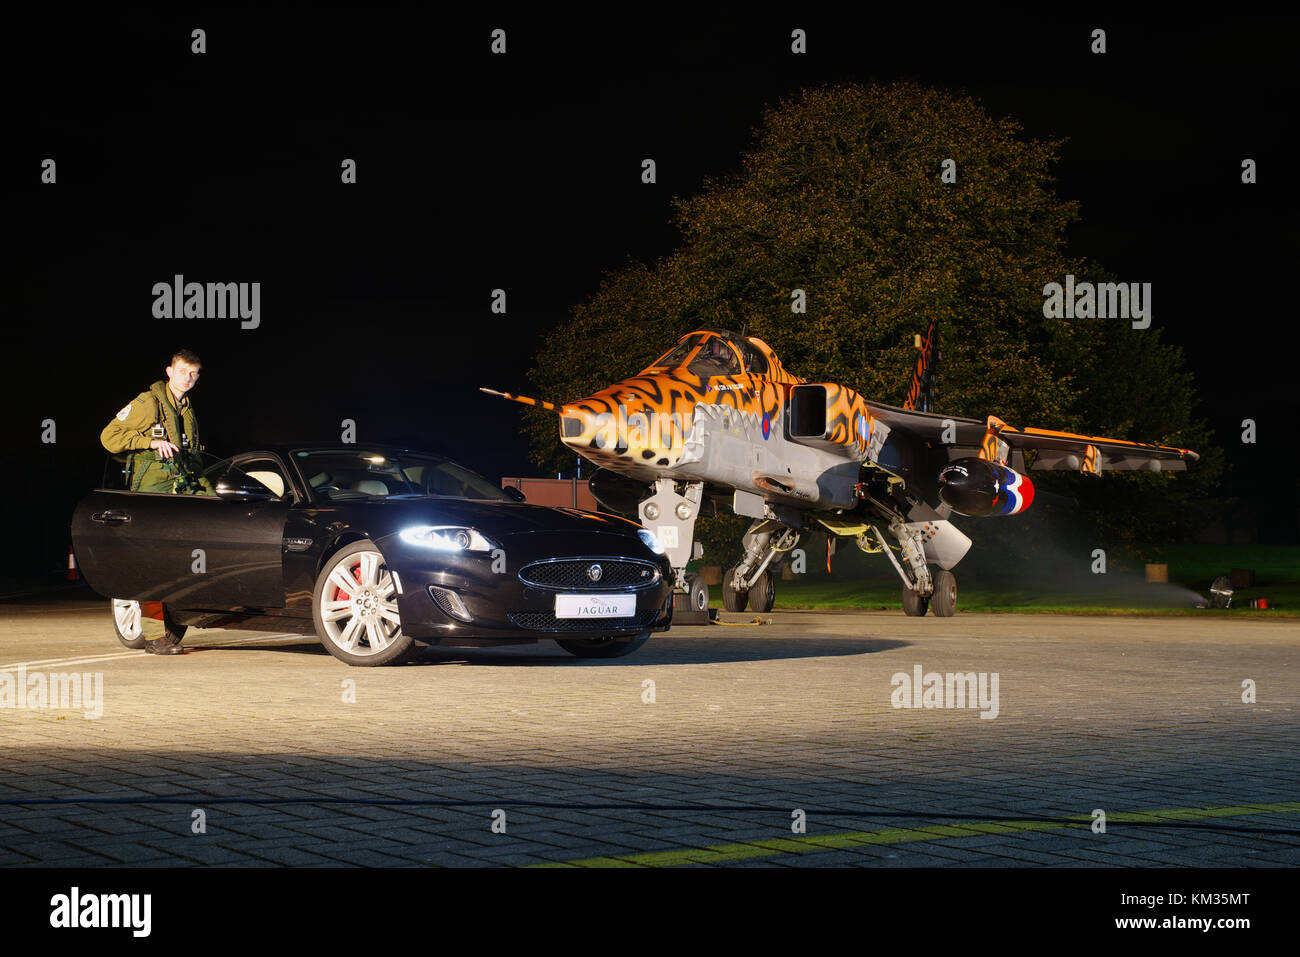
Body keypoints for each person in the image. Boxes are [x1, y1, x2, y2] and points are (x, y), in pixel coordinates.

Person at [100, 349, 214, 655]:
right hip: (153, 490)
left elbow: (193, 456)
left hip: (185, 485)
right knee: (153, 561)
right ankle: (154, 635)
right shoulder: (148, 402)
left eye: (194, 373)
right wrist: (148, 442)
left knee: (219, 527)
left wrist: (211, 491)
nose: (189, 379)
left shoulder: (187, 409)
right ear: (169, 371)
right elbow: (109, 437)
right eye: (183, 372)